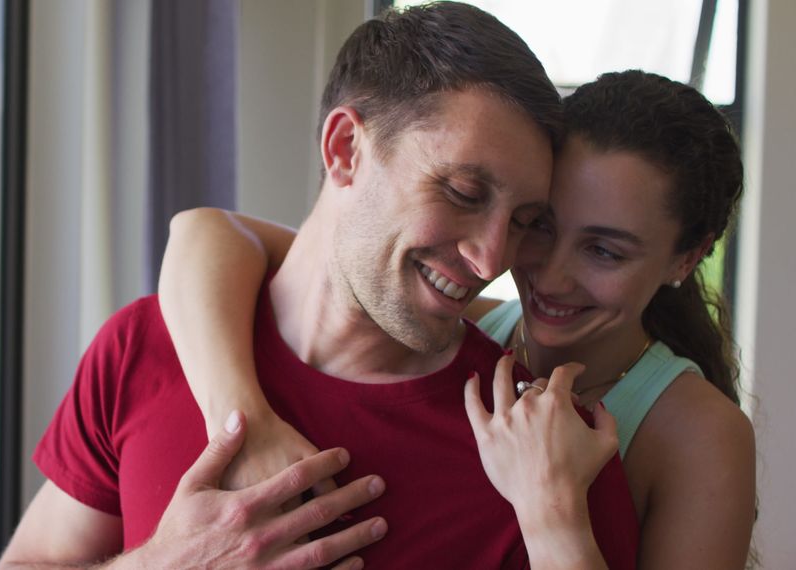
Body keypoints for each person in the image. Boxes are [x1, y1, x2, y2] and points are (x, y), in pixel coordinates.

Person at [0, 3, 640, 568]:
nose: (490, 257)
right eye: (463, 193)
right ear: (344, 150)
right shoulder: (143, 346)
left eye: (524, 223)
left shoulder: (553, 456)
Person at [160, 70, 756, 567]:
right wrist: (245, 423)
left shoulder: (701, 435)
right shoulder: (466, 321)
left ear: (687, 256)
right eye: (540, 225)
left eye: (604, 251)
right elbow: (204, 231)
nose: (549, 277)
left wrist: (551, 508)